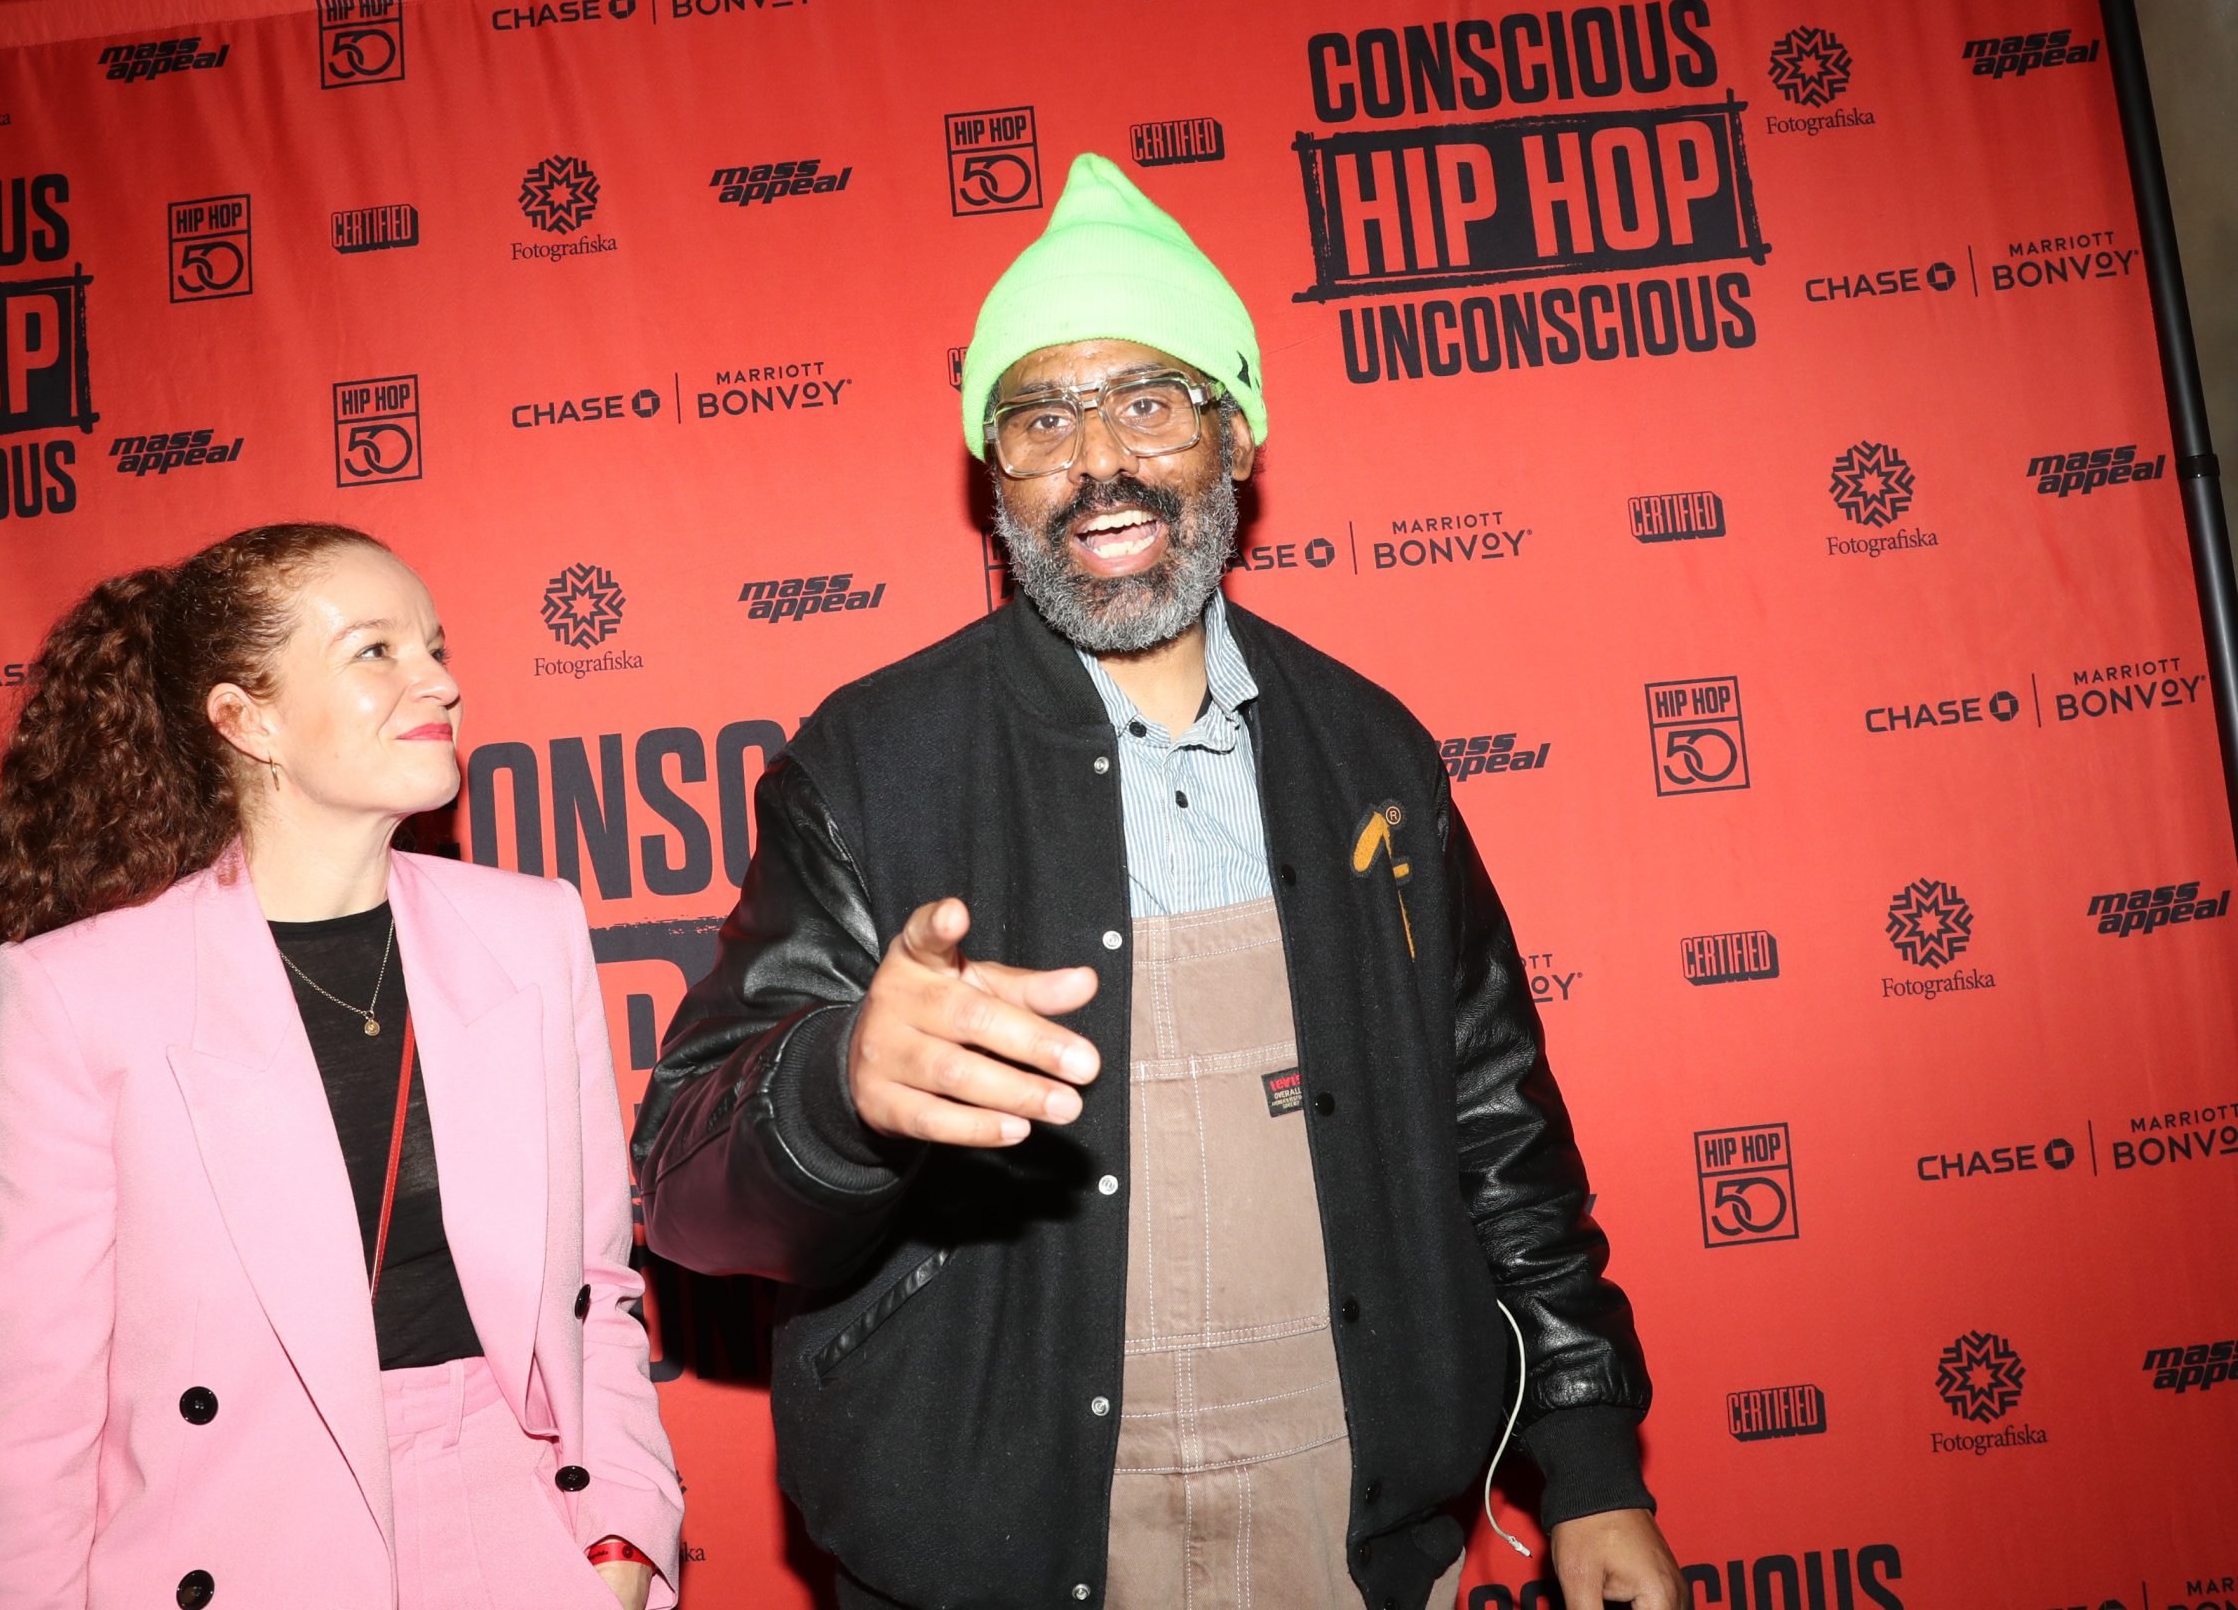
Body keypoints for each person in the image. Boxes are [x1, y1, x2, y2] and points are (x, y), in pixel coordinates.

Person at [633, 156, 1680, 1610]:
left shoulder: (1372, 752)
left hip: (1356, 1532)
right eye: (1039, 418)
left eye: (1151, 401)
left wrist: (1588, 1453)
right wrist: (837, 1086)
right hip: (994, 1545)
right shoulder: (874, 759)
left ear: (1238, 436)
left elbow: (1495, 1121)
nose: (1096, 460)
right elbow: (684, 1192)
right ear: (992, 481)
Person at [0, 522, 680, 1610]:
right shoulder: (79, 995)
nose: (437, 680)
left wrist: (620, 1537)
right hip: (245, 1544)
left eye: (434, 645)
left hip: (523, 1532)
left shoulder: (530, 932)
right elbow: (28, 1410)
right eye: (375, 652)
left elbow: (594, 1289)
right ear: (247, 720)